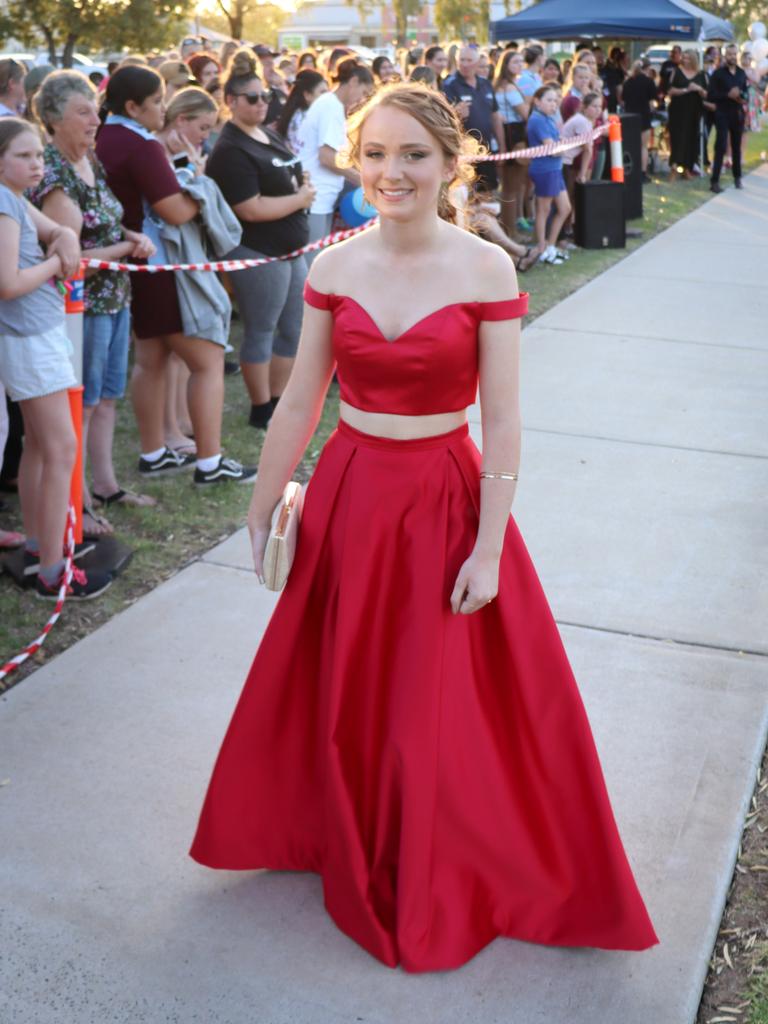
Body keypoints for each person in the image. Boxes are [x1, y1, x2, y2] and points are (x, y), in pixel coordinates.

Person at [188, 81, 659, 972]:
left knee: (434, 695)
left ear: (450, 165)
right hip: (352, 493)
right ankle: (346, 824)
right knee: (347, 678)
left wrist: (488, 544)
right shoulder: (334, 266)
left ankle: (437, 845)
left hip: (444, 497)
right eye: (375, 153)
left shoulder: (487, 267)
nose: (391, 172)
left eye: (412, 156)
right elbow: (299, 402)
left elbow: (506, 422)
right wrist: (262, 507)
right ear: (355, 161)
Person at [96, 65, 256, 485]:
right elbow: (177, 209)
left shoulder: (103, 137)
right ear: (133, 106)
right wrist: (193, 179)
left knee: (151, 360)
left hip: (132, 264)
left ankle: (153, 452)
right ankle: (209, 461)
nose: (162, 110)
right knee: (206, 360)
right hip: (162, 264)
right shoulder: (141, 144)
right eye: (156, 102)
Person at [29, 70, 157, 536]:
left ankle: (105, 485)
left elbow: (104, 220)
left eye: (94, 108)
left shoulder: (91, 161)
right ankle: (77, 500)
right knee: (82, 404)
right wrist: (127, 249)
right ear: (53, 119)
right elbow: (71, 257)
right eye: (82, 111)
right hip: (79, 310)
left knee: (106, 399)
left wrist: (129, 235)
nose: (94, 119)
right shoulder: (56, 173)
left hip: (114, 298)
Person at [0, 117, 112, 599]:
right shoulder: (4, 208)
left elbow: (61, 229)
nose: (35, 165)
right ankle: (51, 570)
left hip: (36, 336)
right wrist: (54, 263)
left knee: (41, 448)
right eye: (23, 156)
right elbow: (7, 285)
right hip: (28, 338)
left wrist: (64, 239)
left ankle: (36, 544)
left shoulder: (16, 201)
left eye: (39, 157)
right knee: (61, 447)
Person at [207, 50, 314, 430]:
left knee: (294, 327)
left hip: (290, 248)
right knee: (262, 328)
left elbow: (285, 170)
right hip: (258, 251)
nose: (262, 103)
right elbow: (249, 208)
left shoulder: (265, 133)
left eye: (265, 95)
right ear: (231, 102)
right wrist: (299, 199)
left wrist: (299, 187)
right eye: (252, 98)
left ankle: (279, 399)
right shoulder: (230, 148)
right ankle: (261, 407)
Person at [298, 57, 374, 259]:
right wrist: (362, 180)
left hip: (321, 195)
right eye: (364, 93)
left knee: (318, 258)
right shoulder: (331, 106)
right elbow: (327, 157)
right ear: (354, 81)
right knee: (312, 262)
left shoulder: (332, 106)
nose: (363, 99)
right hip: (316, 196)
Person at [443, 47, 505, 193]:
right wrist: (456, 114)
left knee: (490, 194)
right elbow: (443, 120)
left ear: (477, 63)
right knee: (467, 198)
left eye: (469, 60)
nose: (464, 64)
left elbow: (495, 117)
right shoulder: (450, 85)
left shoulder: (486, 84)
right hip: (464, 154)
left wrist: (502, 147)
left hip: (487, 151)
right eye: (461, 60)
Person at [527, 84, 570, 266]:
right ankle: (542, 248)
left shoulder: (548, 119)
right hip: (545, 169)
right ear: (537, 102)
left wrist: (561, 145)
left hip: (555, 169)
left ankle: (550, 246)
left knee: (565, 208)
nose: (554, 104)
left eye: (555, 100)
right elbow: (553, 149)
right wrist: (564, 146)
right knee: (543, 210)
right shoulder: (537, 120)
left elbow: (556, 144)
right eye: (549, 100)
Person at [493, 49, 528, 237]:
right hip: (513, 140)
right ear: (506, 65)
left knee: (508, 188)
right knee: (511, 189)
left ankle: (510, 230)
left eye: (521, 61)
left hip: (505, 139)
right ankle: (511, 232)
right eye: (515, 62)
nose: (520, 65)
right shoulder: (510, 88)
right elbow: (525, 114)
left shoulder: (498, 86)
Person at [560, 91, 603, 237]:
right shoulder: (582, 122)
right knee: (567, 198)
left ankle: (568, 228)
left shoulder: (584, 121)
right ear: (584, 107)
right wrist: (582, 174)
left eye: (600, 106)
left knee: (570, 197)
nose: (598, 110)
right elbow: (588, 150)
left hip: (566, 161)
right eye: (594, 106)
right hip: (562, 162)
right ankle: (565, 231)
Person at [708, 44, 748, 193]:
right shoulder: (718, 74)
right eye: (729, 54)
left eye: (734, 54)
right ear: (725, 56)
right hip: (722, 113)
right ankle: (714, 181)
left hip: (737, 113)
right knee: (721, 145)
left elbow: (745, 93)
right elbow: (710, 95)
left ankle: (737, 177)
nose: (732, 57)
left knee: (736, 147)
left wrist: (741, 98)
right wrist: (727, 95)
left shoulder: (741, 73)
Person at [667, 49, 707, 179]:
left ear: (694, 59)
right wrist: (686, 90)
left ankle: (687, 167)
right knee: (677, 138)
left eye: (688, 58)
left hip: (694, 111)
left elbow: (706, 94)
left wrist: (699, 89)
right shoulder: (676, 72)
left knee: (691, 138)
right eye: (683, 57)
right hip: (678, 111)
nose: (685, 60)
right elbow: (671, 91)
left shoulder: (700, 75)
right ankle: (674, 166)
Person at [275, 68, 328, 155]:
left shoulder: (298, 114)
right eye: (322, 92)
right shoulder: (304, 118)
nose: (327, 97)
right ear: (307, 95)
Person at [621, 59, 659, 180]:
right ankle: (642, 172)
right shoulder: (649, 82)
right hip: (643, 116)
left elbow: (623, 99)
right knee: (643, 146)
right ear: (647, 69)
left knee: (630, 145)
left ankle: (629, 170)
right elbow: (653, 100)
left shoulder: (627, 83)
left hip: (629, 117)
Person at [601, 46, 627, 113]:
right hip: (612, 97)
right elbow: (619, 87)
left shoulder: (615, 68)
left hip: (610, 97)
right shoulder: (614, 69)